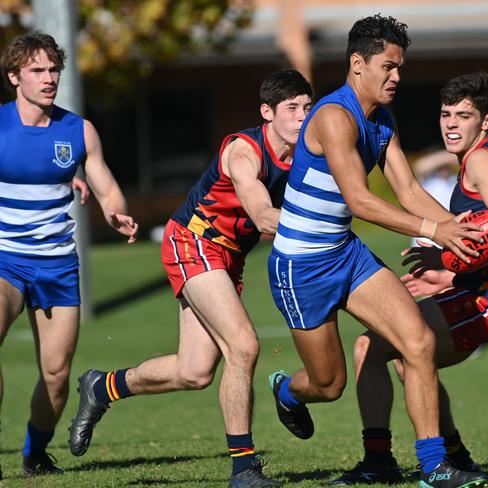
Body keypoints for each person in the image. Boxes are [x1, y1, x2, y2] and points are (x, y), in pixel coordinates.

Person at [266, 15, 488, 488]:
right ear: (357, 64)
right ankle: (288, 391)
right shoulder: (332, 116)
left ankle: (433, 465)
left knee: (418, 342)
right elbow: (360, 200)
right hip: (300, 267)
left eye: (400, 67)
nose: (396, 77)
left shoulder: (381, 120)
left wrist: (454, 228)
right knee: (327, 384)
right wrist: (434, 229)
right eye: (388, 67)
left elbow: (406, 189)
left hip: (345, 254)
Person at [68, 68, 313, 488]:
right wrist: (315, 226)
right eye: (292, 109)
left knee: (194, 372)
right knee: (244, 346)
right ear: (267, 112)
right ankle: (244, 469)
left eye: (308, 108)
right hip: (193, 242)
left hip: (228, 257)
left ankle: (102, 386)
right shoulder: (244, 151)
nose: (302, 118)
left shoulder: (306, 154)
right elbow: (261, 216)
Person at [328, 71, 488, 485]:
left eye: (463, 115)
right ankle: (453, 457)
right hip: (477, 290)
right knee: (407, 357)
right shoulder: (473, 159)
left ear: (485, 122)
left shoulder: (485, 160)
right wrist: (447, 276)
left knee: (374, 346)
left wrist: (446, 260)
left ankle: (386, 461)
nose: (451, 124)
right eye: (445, 114)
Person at [0, 31, 138, 478]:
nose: (48, 78)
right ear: (14, 77)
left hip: (57, 265)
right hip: (4, 258)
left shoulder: (78, 130)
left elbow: (105, 183)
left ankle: (35, 453)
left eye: (53, 69)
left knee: (57, 375)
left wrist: (117, 213)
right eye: (37, 70)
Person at [410, 149, 458, 247]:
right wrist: (450, 156)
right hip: (426, 239)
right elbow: (420, 166)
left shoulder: (455, 181)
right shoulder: (427, 182)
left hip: (450, 237)